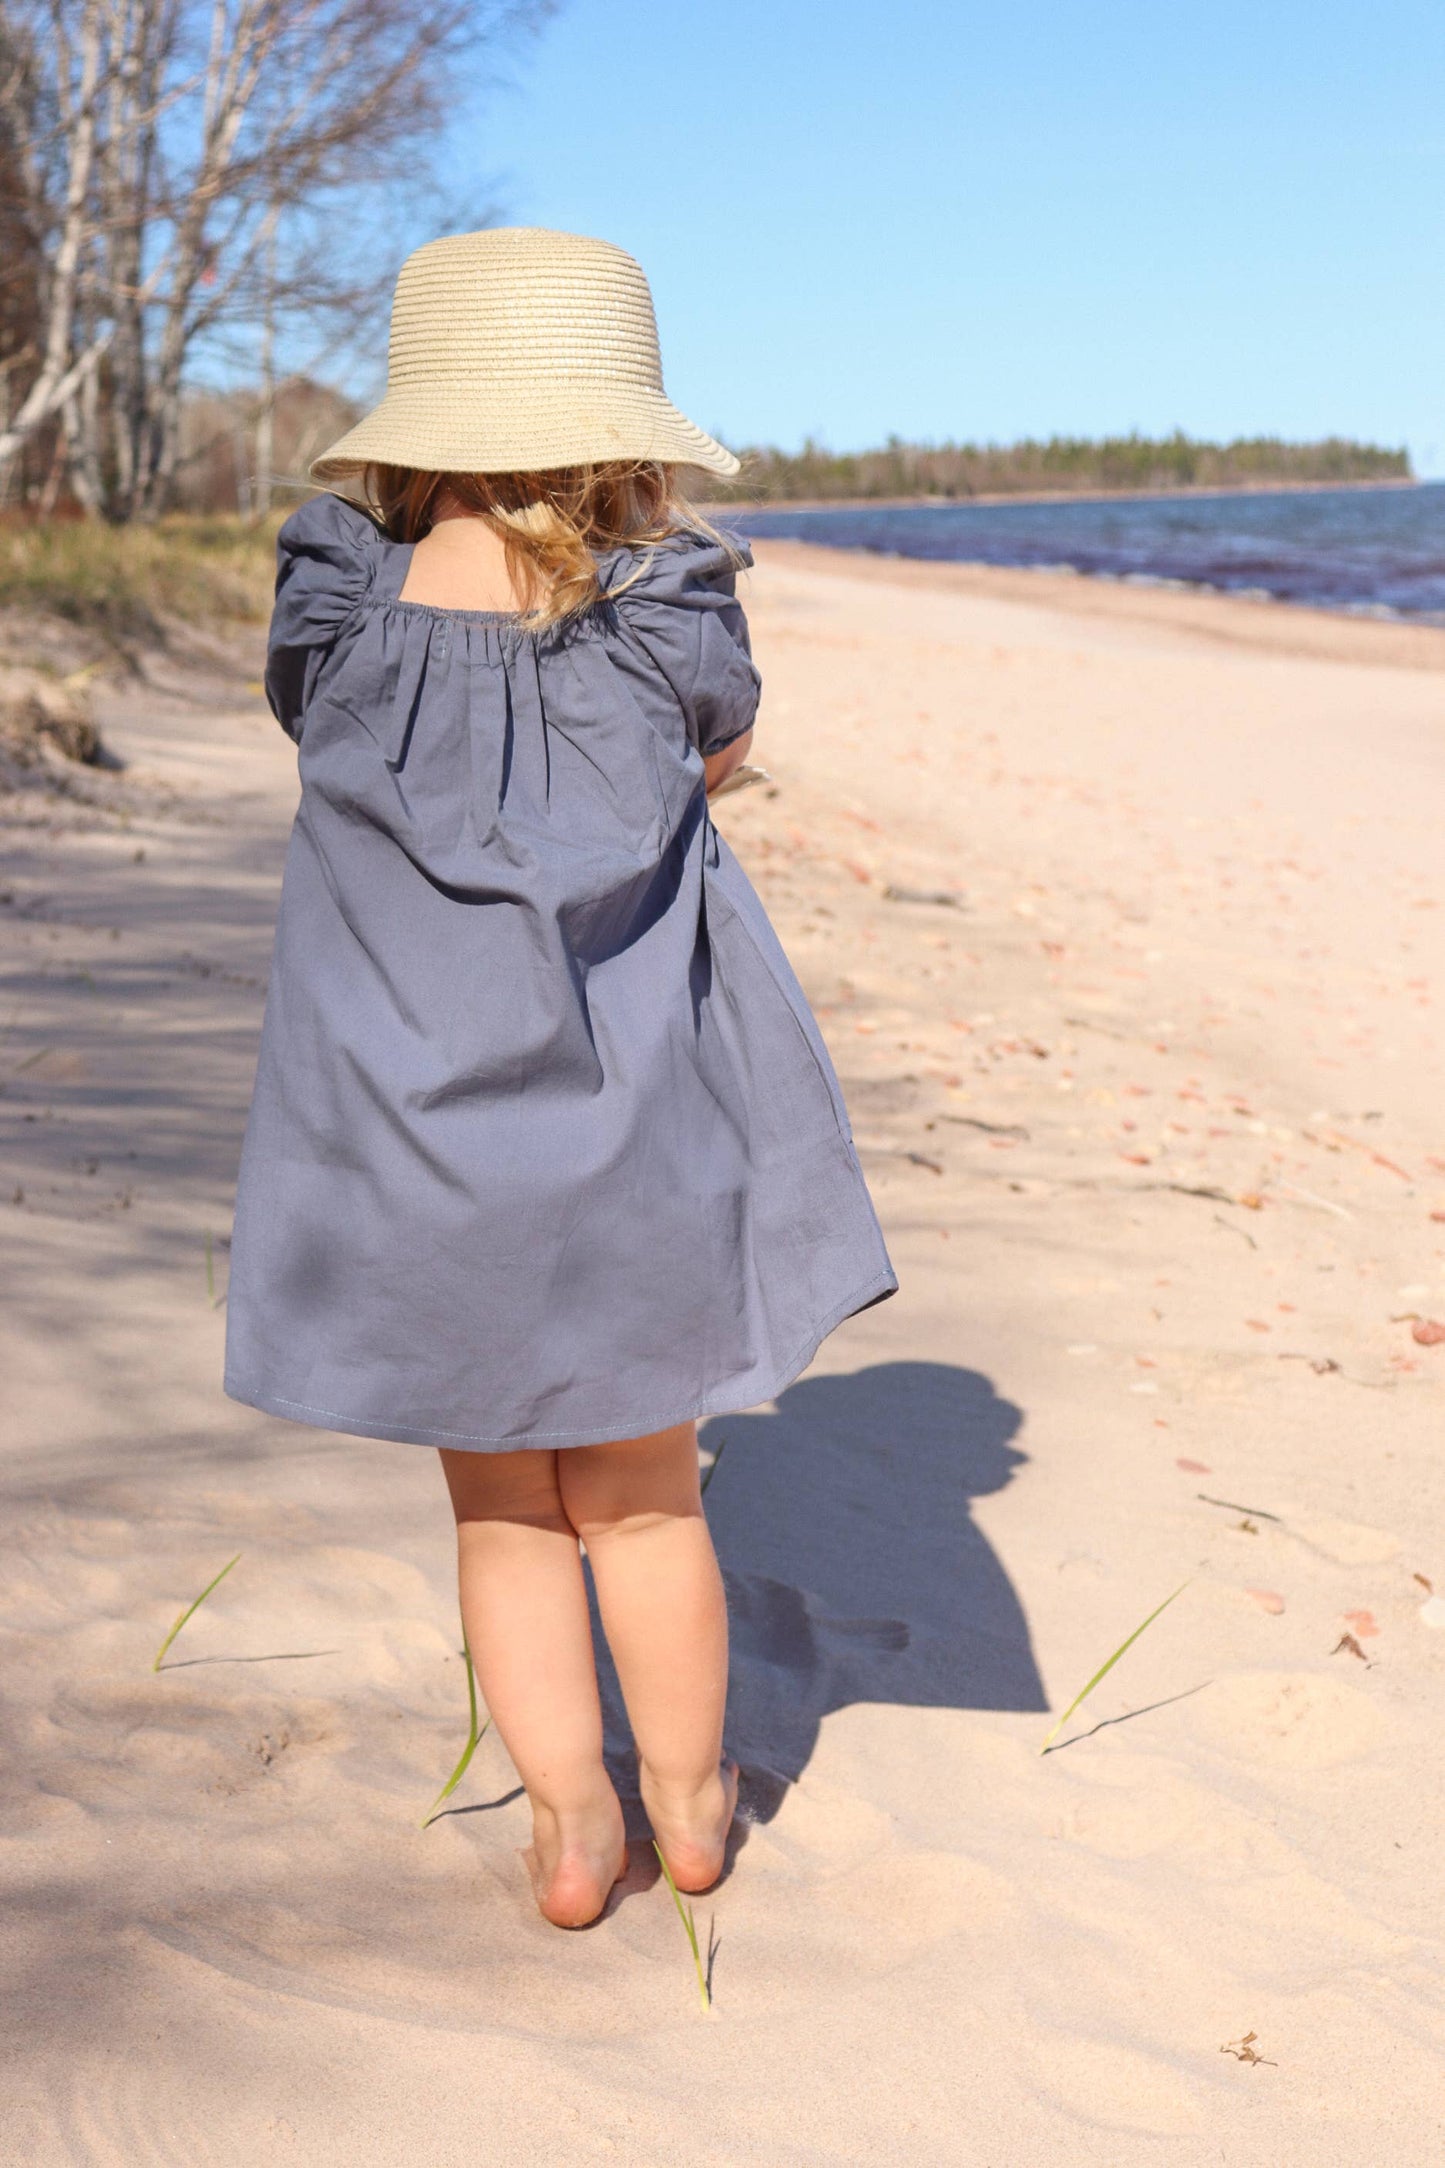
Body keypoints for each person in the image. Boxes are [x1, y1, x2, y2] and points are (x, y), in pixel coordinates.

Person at [224, 228, 897, 1928]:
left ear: (418, 428)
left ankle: (569, 1825)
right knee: (644, 1500)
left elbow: (318, 721)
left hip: (407, 1136)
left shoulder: (333, 593)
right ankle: (687, 1801)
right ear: (619, 440)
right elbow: (718, 748)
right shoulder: (666, 606)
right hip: (625, 1125)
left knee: (503, 1509)